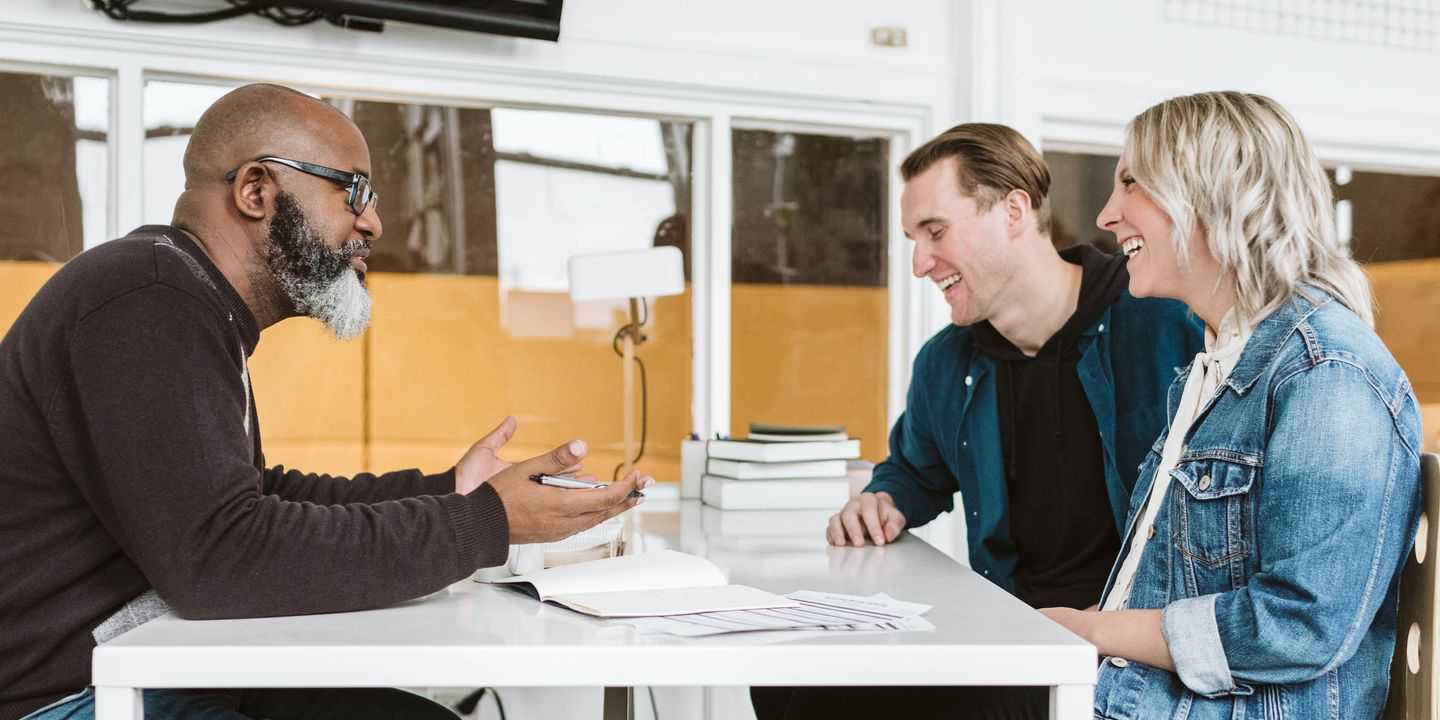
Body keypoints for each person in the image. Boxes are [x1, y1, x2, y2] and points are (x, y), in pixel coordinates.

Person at [0, 83, 648, 720]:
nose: (373, 222)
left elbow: (250, 500)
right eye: (353, 191)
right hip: (67, 694)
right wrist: (487, 522)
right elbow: (222, 557)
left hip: (147, 659)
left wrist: (452, 489)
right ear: (256, 191)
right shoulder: (148, 302)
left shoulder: (183, 300)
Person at [754, 124, 1203, 719]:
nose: (919, 263)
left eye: (935, 232)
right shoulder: (946, 361)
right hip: (1012, 632)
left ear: (1014, 209)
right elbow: (915, 470)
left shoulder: (1165, 324)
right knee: (789, 676)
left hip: (1127, 649)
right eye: (914, 238)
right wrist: (884, 498)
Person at [1040, 91, 1422, 719]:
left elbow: (1301, 623)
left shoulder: (1327, 373)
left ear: (1213, 192)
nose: (1107, 215)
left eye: (1132, 182)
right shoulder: (1220, 363)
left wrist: (1093, 630)